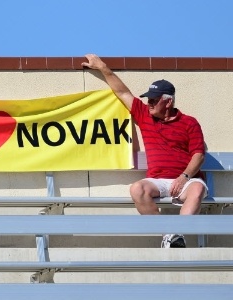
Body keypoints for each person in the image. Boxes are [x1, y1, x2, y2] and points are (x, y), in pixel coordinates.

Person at [82, 54, 207, 248]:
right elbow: (123, 93)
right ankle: (169, 235)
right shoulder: (145, 115)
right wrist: (102, 67)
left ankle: (179, 233)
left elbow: (198, 154)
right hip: (158, 180)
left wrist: (183, 177)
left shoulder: (189, 122)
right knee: (136, 189)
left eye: (153, 100)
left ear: (168, 102)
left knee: (197, 189)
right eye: (148, 99)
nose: (148, 104)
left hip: (186, 180)